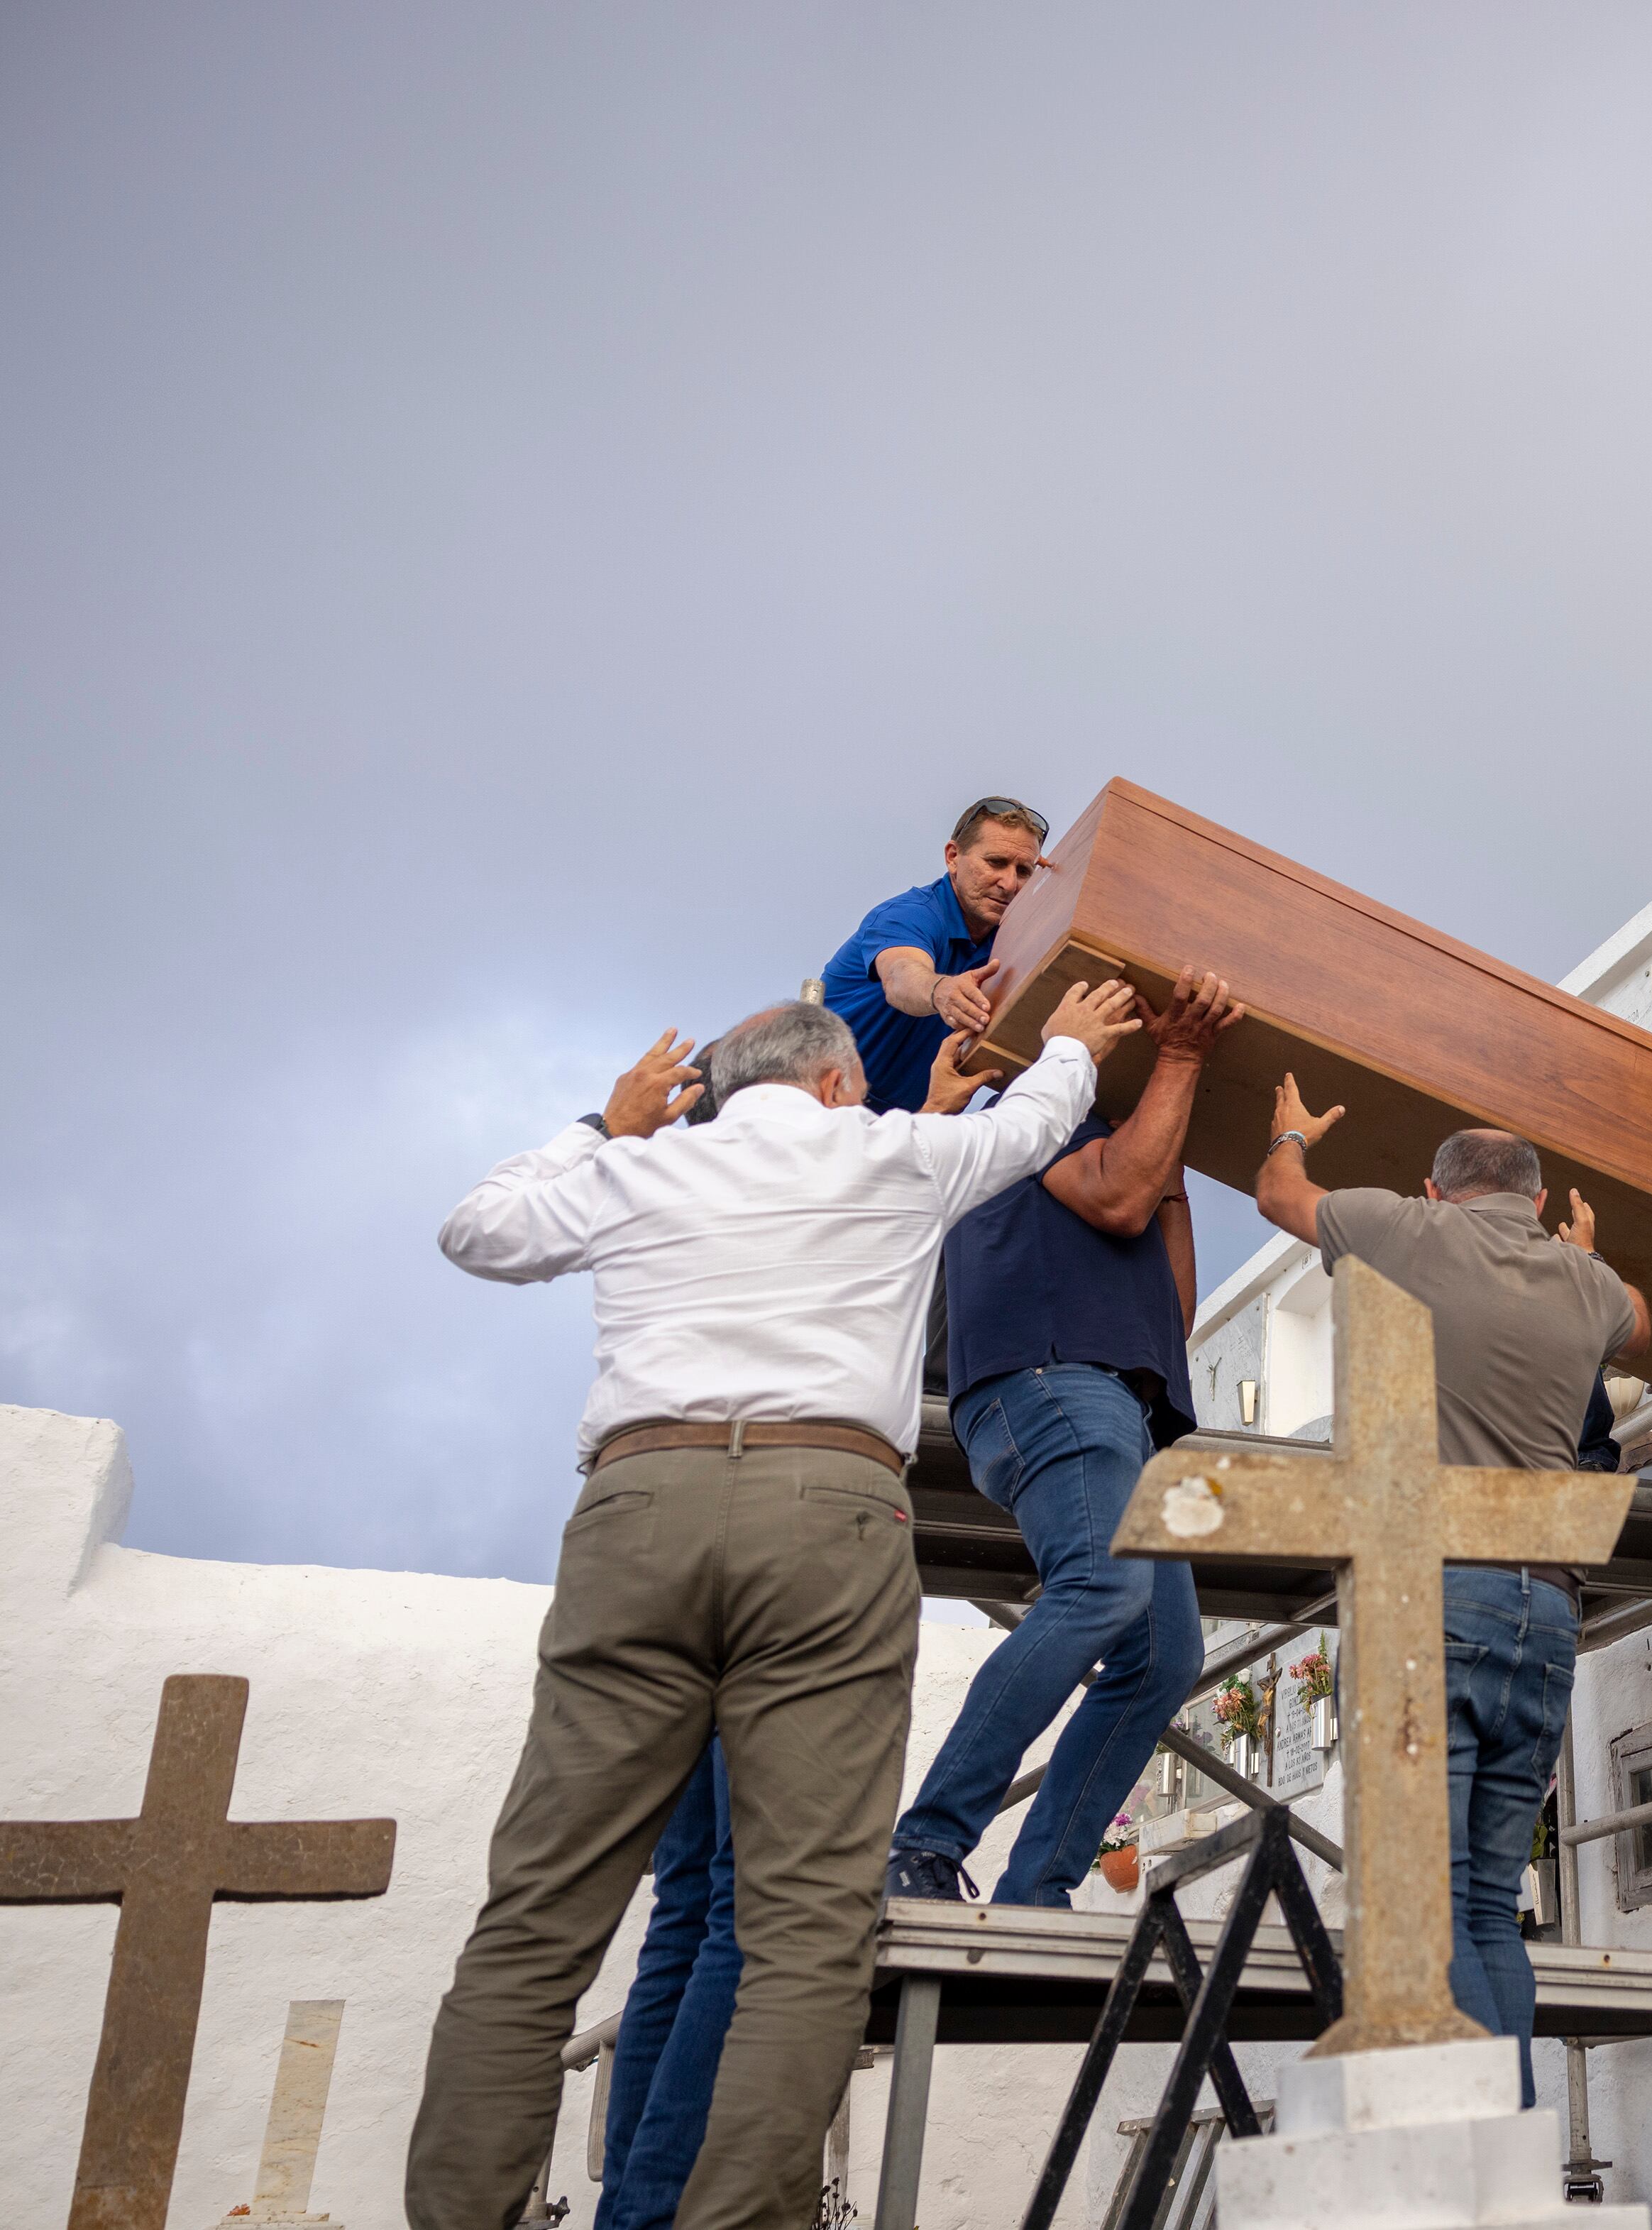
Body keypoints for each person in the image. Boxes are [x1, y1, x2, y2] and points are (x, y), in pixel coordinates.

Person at [407, 979, 1141, 2230]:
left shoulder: (645, 1166)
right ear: (838, 1080)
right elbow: (1032, 1126)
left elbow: (477, 1230)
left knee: (539, 1914)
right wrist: (1070, 1039)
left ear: (721, 1087)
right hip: (829, 1505)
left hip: (637, 1502)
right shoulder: (893, 1150)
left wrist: (606, 1121)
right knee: (804, 1924)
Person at [1253, 1077, 1648, 2102]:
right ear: (1537, 1192)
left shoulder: (1406, 1229)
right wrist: (1586, 1251)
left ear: (1438, 1188)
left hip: (1433, 1596)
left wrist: (1295, 1129)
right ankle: (1511, 2147)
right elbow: (1640, 1319)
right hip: (1546, 1612)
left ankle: (1473, 2148)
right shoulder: (1590, 1285)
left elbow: (1277, 1194)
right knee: (1487, 1906)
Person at [888, 969, 1248, 1906]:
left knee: (1165, 1656)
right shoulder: (1029, 1116)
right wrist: (1180, 1054)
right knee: (1097, 1584)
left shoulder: (1119, 1152)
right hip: (1052, 1382)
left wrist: (1174, 1187)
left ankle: (1037, 1884)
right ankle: (923, 1843)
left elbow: (1170, 1313)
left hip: (1122, 1403)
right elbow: (1117, 1196)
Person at [821, 796, 1051, 1113]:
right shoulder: (911, 915)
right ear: (954, 857)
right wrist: (941, 990)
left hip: (910, 1125)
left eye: (1024, 871)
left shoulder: (1014, 938)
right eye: (996, 863)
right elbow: (901, 975)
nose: (1009, 884)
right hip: (819, 1104)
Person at [592, 1742, 734, 2230]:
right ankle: (653, 2215)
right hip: (769, 1671)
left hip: (686, 1675)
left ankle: (625, 2213)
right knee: (746, 1908)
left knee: (681, 1917)